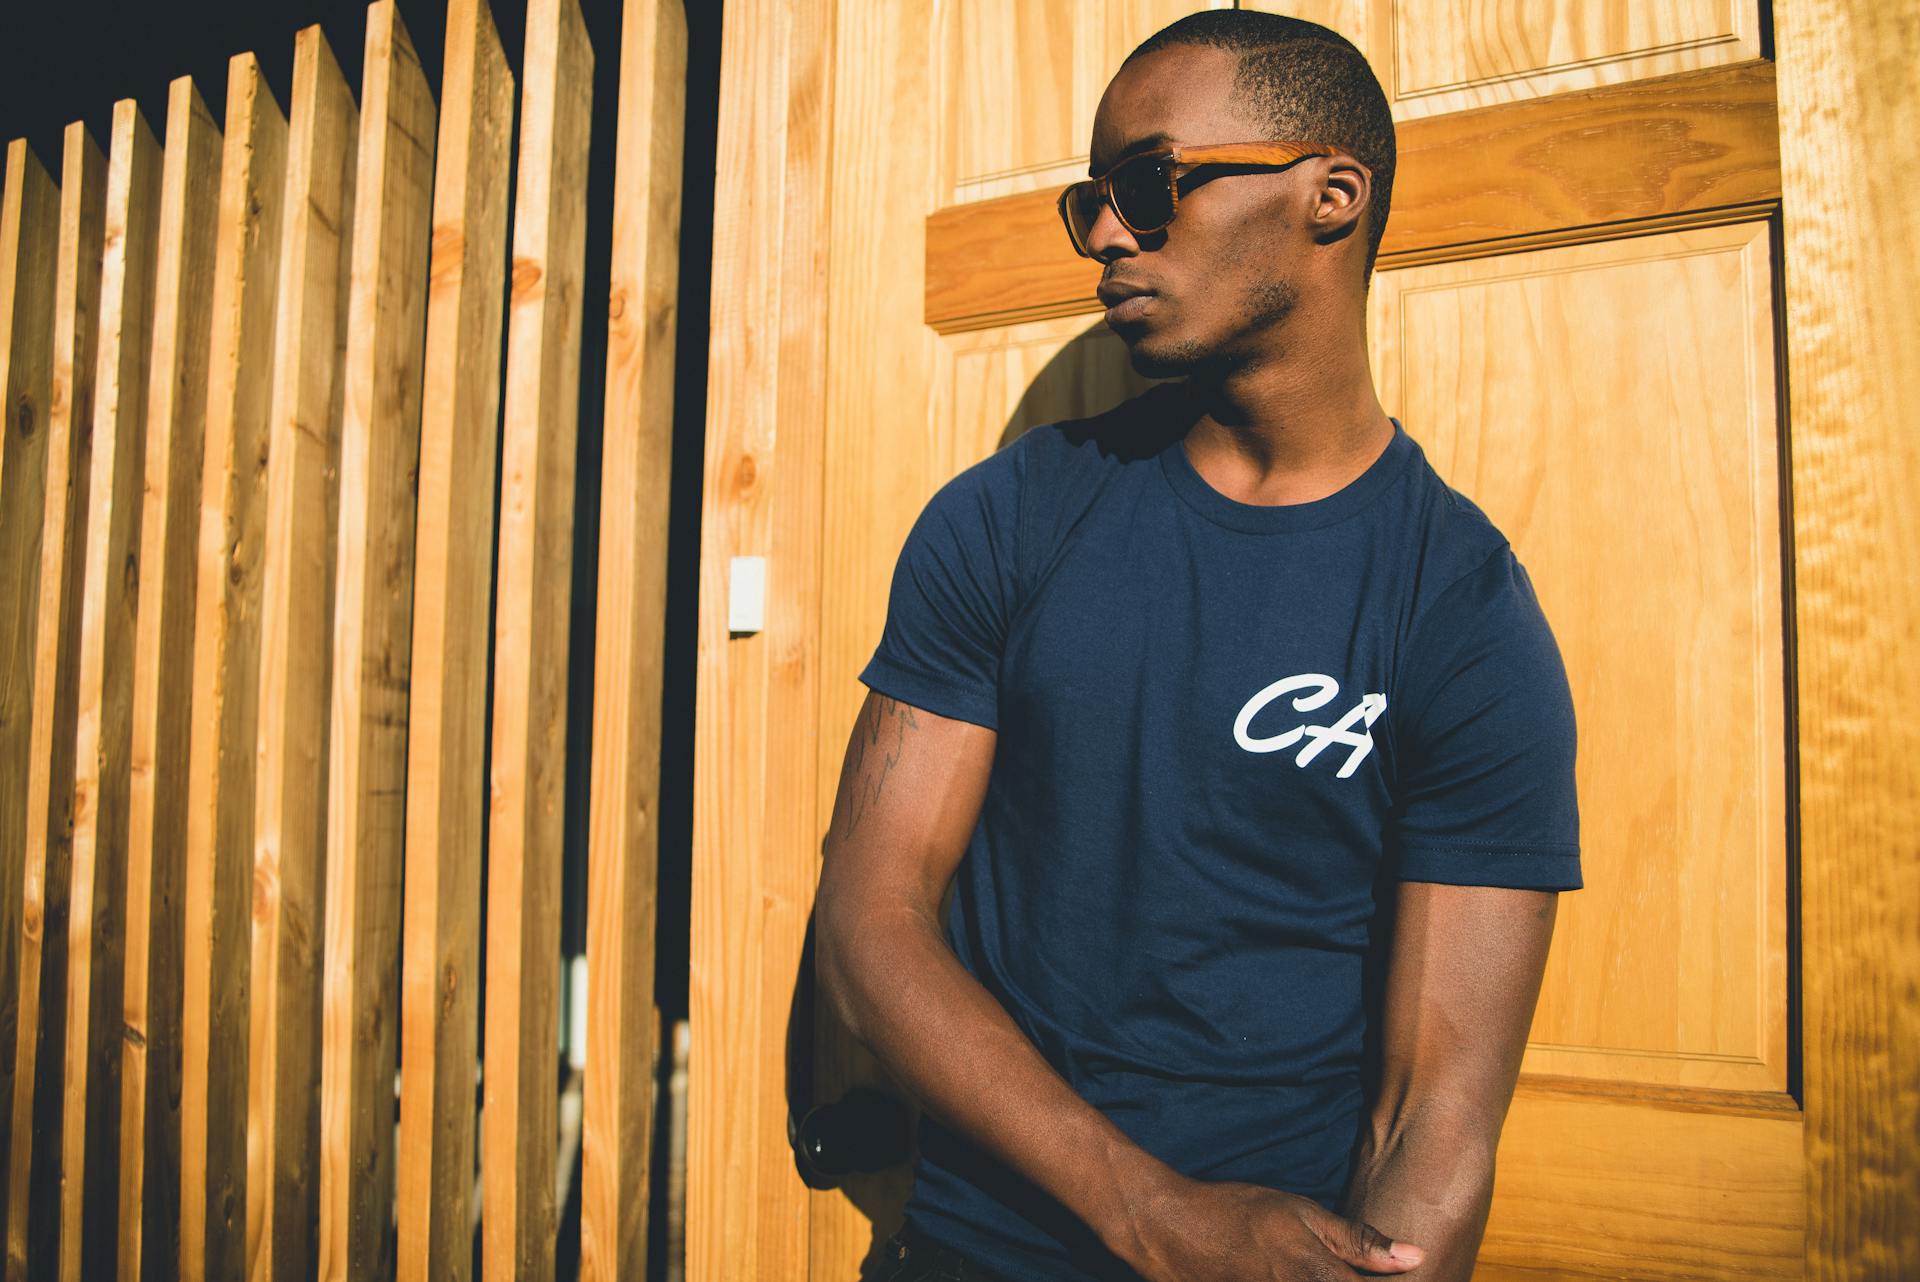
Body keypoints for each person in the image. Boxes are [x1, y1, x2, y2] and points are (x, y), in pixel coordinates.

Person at [814, 11, 1581, 1282]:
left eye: (1149, 185)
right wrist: (1155, 1215)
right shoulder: (1007, 521)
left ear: (1332, 195)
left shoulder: (1462, 609)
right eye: (1093, 201)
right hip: (972, 1253)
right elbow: (869, 923)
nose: (1109, 233)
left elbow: (1436, 1110)